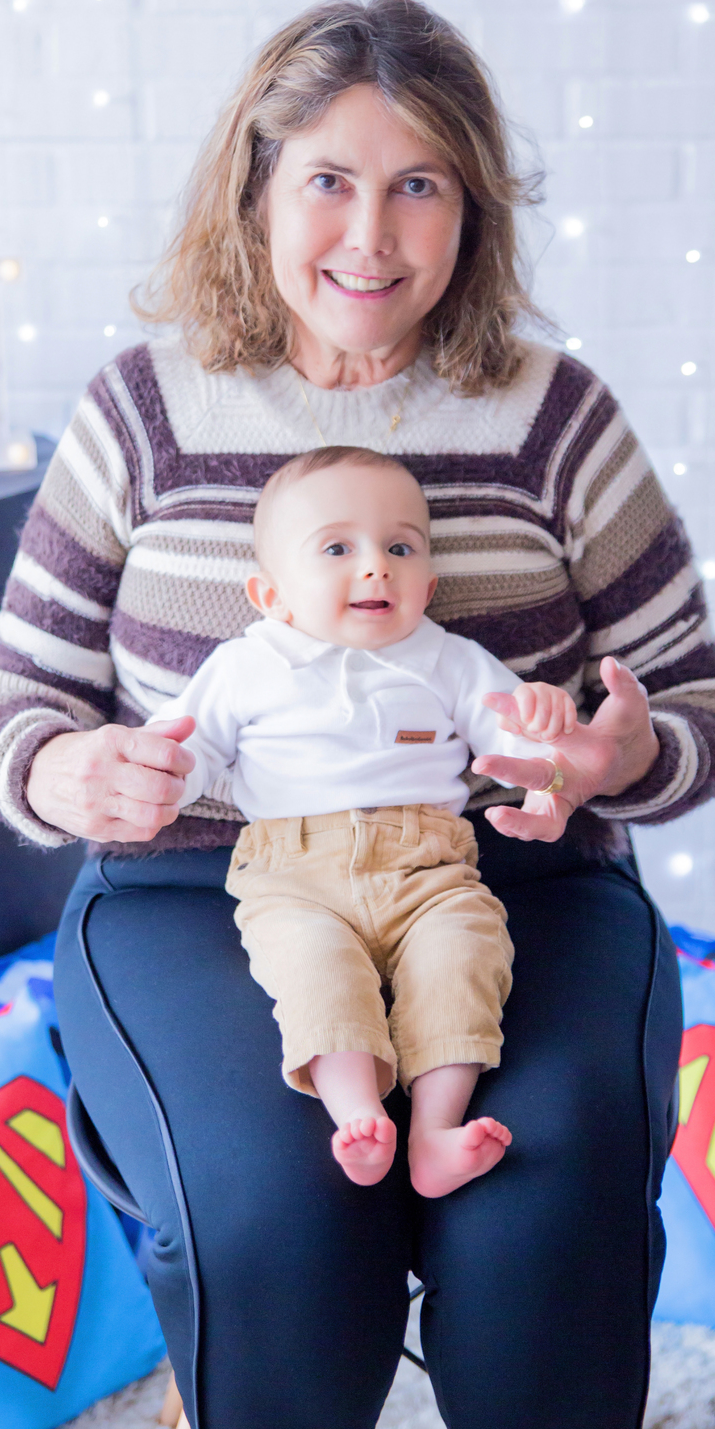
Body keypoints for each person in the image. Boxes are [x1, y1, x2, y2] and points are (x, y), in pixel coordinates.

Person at [0, 0, 715, 1429]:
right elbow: (12, 706)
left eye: (419, 184)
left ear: (471, 209)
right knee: (278, 1220)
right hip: (209, 896)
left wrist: (615, 756)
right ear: (255, 187)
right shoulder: (143, 409)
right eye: (329, 178)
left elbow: (701, 711)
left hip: (514, 894)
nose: (371, 236)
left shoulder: (554, 417)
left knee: (537, 1225)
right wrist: (73, 770)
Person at [148, 443, 588, 1197]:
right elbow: (193, 755)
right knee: (316, 971)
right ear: (270, 594)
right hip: (293, 874)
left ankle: (433, 1131)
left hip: (431, 868)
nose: (377, 565)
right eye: (337, 548)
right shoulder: (245, 666)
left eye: (400, 547)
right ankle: (357, 1115)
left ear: (429, 581)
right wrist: (155, 767)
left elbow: (520, 748)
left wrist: (548, 743)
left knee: (464, 956)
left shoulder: (450, 660)